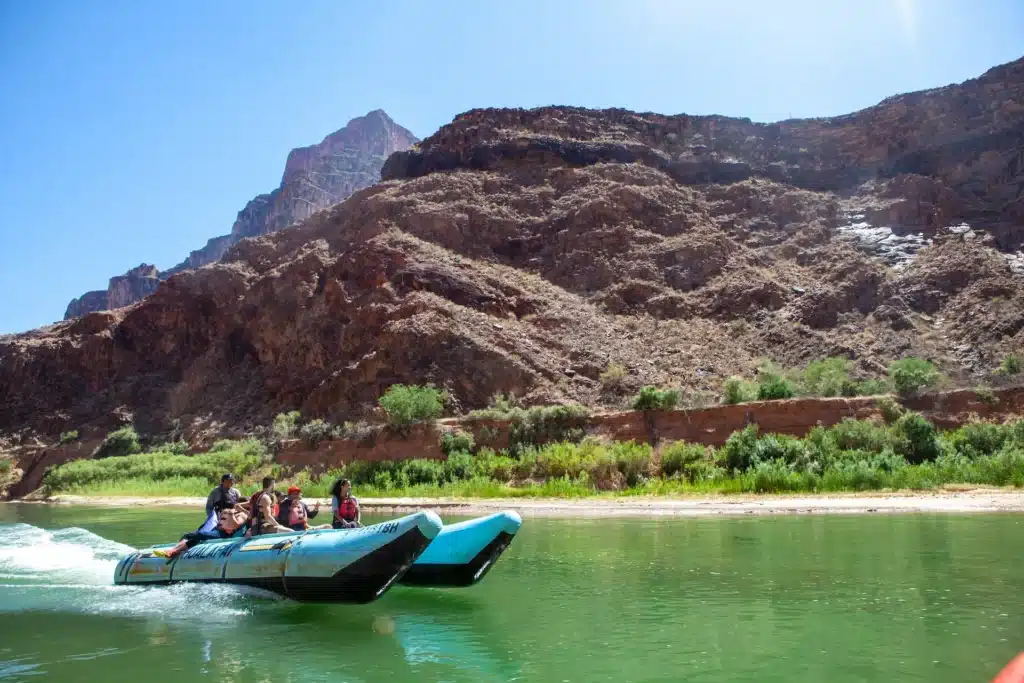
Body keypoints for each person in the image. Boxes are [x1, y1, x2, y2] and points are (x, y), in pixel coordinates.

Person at [153, 504, 249, 559]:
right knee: (189, 535)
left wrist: (232, 514)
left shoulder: (241, 516)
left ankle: (175, 551)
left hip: (224, 534)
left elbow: (235, 525)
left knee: (200, 534)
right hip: (219, 531)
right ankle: (174, 550)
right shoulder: (231, 513)